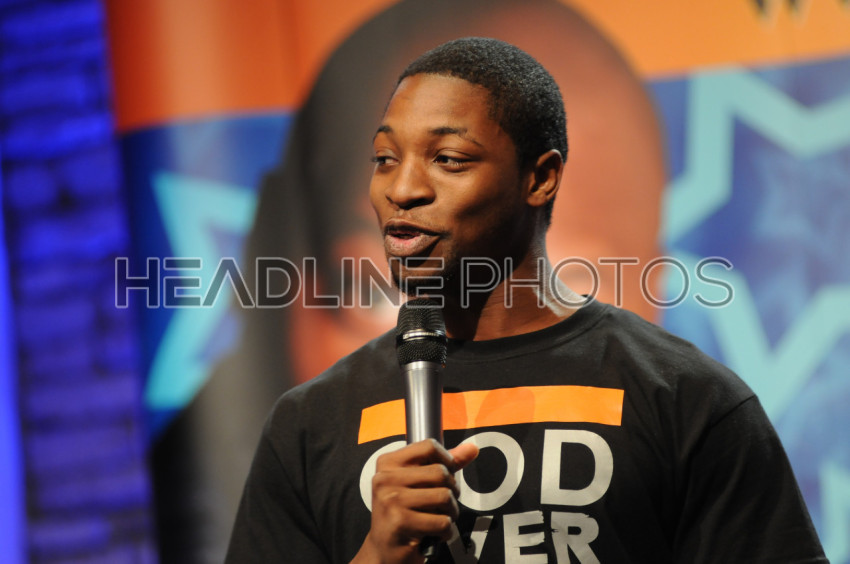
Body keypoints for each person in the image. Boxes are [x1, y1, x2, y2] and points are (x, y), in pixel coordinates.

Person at [226, 38, 826, 563]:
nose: (402, 189)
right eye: (385, 159)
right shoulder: (309, 425)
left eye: (448, 159)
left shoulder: (686, 400)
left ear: (540, 178)